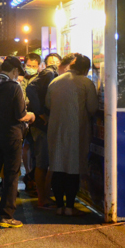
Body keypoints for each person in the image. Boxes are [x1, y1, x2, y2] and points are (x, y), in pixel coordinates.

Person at [0, 56, 35, 228]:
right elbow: (20, 115)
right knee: (11, 175)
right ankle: (6, 216)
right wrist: (31, 116)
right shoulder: (13, 87)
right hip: (12, 136)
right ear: (15, 71)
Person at [46, 54, 98, 216]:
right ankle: (69, 207)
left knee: (58, 166)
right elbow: (92, 108)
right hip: (76, 130)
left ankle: (59, 206)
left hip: (55, 130)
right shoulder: (86, 83)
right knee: (73, 168)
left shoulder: (55, 81)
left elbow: (48, 104)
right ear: (86, 69)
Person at [25, 53, 61, 208]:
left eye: (56, 62)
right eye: (51, 62)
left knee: (45, 162)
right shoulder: (50, 73)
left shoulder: (52, 75)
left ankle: (44, 196)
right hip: (41, 126)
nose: (53, 64)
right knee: (42, 162)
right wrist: (41, 113)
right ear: (45, 65)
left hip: (43, 125)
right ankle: (42, 198)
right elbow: (30, 89)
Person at [20, 53, 41, 195]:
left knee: (34, 150)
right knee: (25, 149)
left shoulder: (40, 80)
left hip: (35, 120)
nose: (31, 68)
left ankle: (32, 178)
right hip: (22, 119)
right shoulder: (20, 79)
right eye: (29, 65)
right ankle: (28, 174)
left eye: (34, 66)